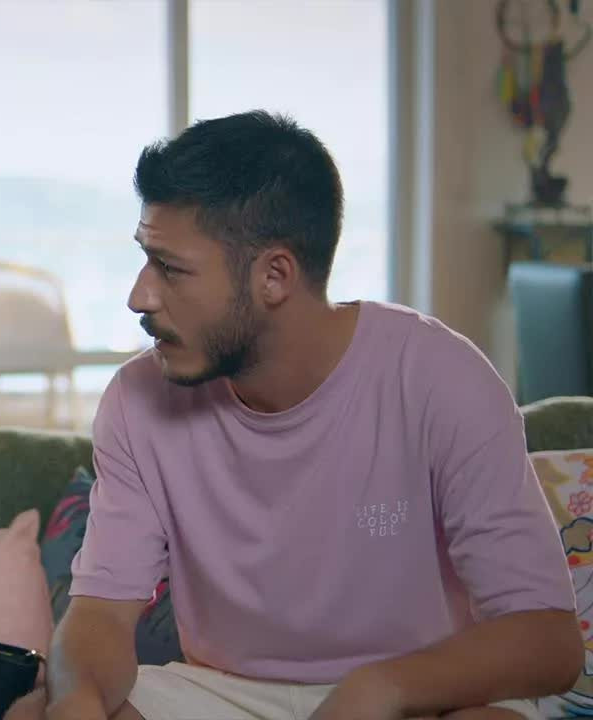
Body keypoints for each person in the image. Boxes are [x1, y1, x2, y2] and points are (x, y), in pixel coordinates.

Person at [43, 111, 582, 720]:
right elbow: (100, 613)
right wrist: (76, 701)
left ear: (274, 276)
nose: (139, 295)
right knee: (53, 707)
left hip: (415, 689)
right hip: (226, 692)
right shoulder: (136, 399)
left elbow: (548, 640)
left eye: (170, 268)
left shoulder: (443, 378)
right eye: (147, 259)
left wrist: (379, 689)